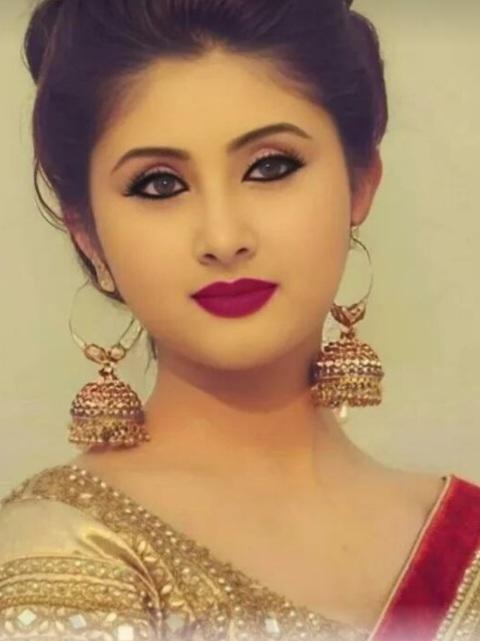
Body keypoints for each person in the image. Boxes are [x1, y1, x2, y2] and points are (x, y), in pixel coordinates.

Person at [0, 0, 479, 640]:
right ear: (87, 233)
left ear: (361, 182)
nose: (224, 239)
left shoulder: (466, 541)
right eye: (160, 185)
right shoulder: (62, 550)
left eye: (270, 167)